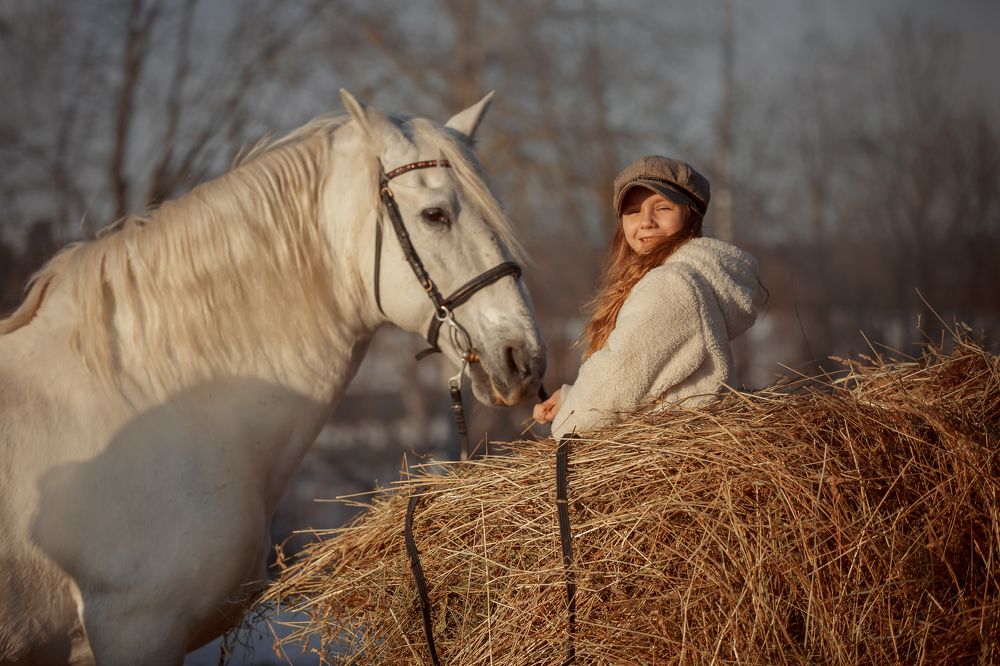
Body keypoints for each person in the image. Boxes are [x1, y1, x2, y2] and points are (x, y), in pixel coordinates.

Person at [533, 155, 760, 440]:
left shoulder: (670, 285)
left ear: (691, 215)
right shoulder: (687, 278)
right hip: (681, 449)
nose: (646, 222)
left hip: (668, 459)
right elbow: (651, 379)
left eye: (662, 208)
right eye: (632, 212)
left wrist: (569, 421)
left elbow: (620, 374)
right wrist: (570, 398)